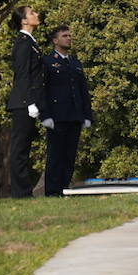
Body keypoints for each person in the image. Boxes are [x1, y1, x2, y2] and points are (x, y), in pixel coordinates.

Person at [41, 23, 93, 197]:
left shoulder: (75, 63)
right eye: (64, 36)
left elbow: (82, 91)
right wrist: (45, 115)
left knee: (69, 156)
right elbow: (43, 90)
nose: (68, 38)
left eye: (69, 35)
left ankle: (64, 189)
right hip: (57, 116)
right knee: (55, 156)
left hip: (74, 115)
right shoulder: (48, 62)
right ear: (55, 40)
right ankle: (52, 192)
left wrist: (87, 115)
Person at [6, 5, 43, 198]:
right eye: (32, 13)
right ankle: (20, 193)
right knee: (19, 150)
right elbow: (22, 75)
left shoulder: (31, 42)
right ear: (24, 21)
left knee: (25, 148)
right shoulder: (23, 43)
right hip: (23, 103)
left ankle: (24, 191)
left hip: (29, 102)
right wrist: (29, 102)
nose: (36, 15)